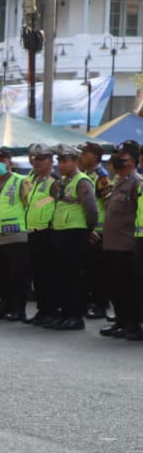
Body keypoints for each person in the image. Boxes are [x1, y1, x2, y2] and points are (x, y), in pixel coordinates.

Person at [49, 144, 98, 331]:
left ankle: (76, 316)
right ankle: (66, 313)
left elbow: (91, 210)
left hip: (75, 232)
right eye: (59, 161)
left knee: (75, 277)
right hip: (61, 231)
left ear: (76, 161)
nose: (61, 165)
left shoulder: (82, 181)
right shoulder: (62, 181)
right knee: (63, 275)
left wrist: (88, 230)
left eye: (65, 161)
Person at [98, 140, 142, 340]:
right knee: (113, 285)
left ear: (131, 161)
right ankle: (121, 321)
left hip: (126, 246)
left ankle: (131, 323)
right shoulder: (117, 182)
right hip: (111, 244)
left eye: (120, 155)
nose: (115, 159)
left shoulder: (136, 182)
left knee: (127, 287)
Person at [0, 148, 32, 321]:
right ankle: (5, 305)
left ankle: (18, 309)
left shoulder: (21, 181)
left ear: (10, 162)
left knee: (17, 276)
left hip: (17, 236)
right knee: (0, 275)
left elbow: (29, 206)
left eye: (3, 160)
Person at [23, 144, 59, 327]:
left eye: (42, 159)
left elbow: (59, 206)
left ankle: (51, 311)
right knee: (38, 275)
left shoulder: (55, 181)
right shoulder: (34, 180)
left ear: (51, 161)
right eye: (35, 159)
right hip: (32, 232)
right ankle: (42, 310)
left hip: (48, 233)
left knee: (49, 275)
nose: (37, 162)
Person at [79, 142, 113, 319]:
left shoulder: (101, 177)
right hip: (86, 230)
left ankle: (100, 305)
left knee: (98, 272)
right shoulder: (84, 175)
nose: (82, 156)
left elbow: (108, 206)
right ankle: (90, 302)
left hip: (98, 232)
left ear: (95, 156)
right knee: (88, 270)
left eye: (85, 153)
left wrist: (98, 231)